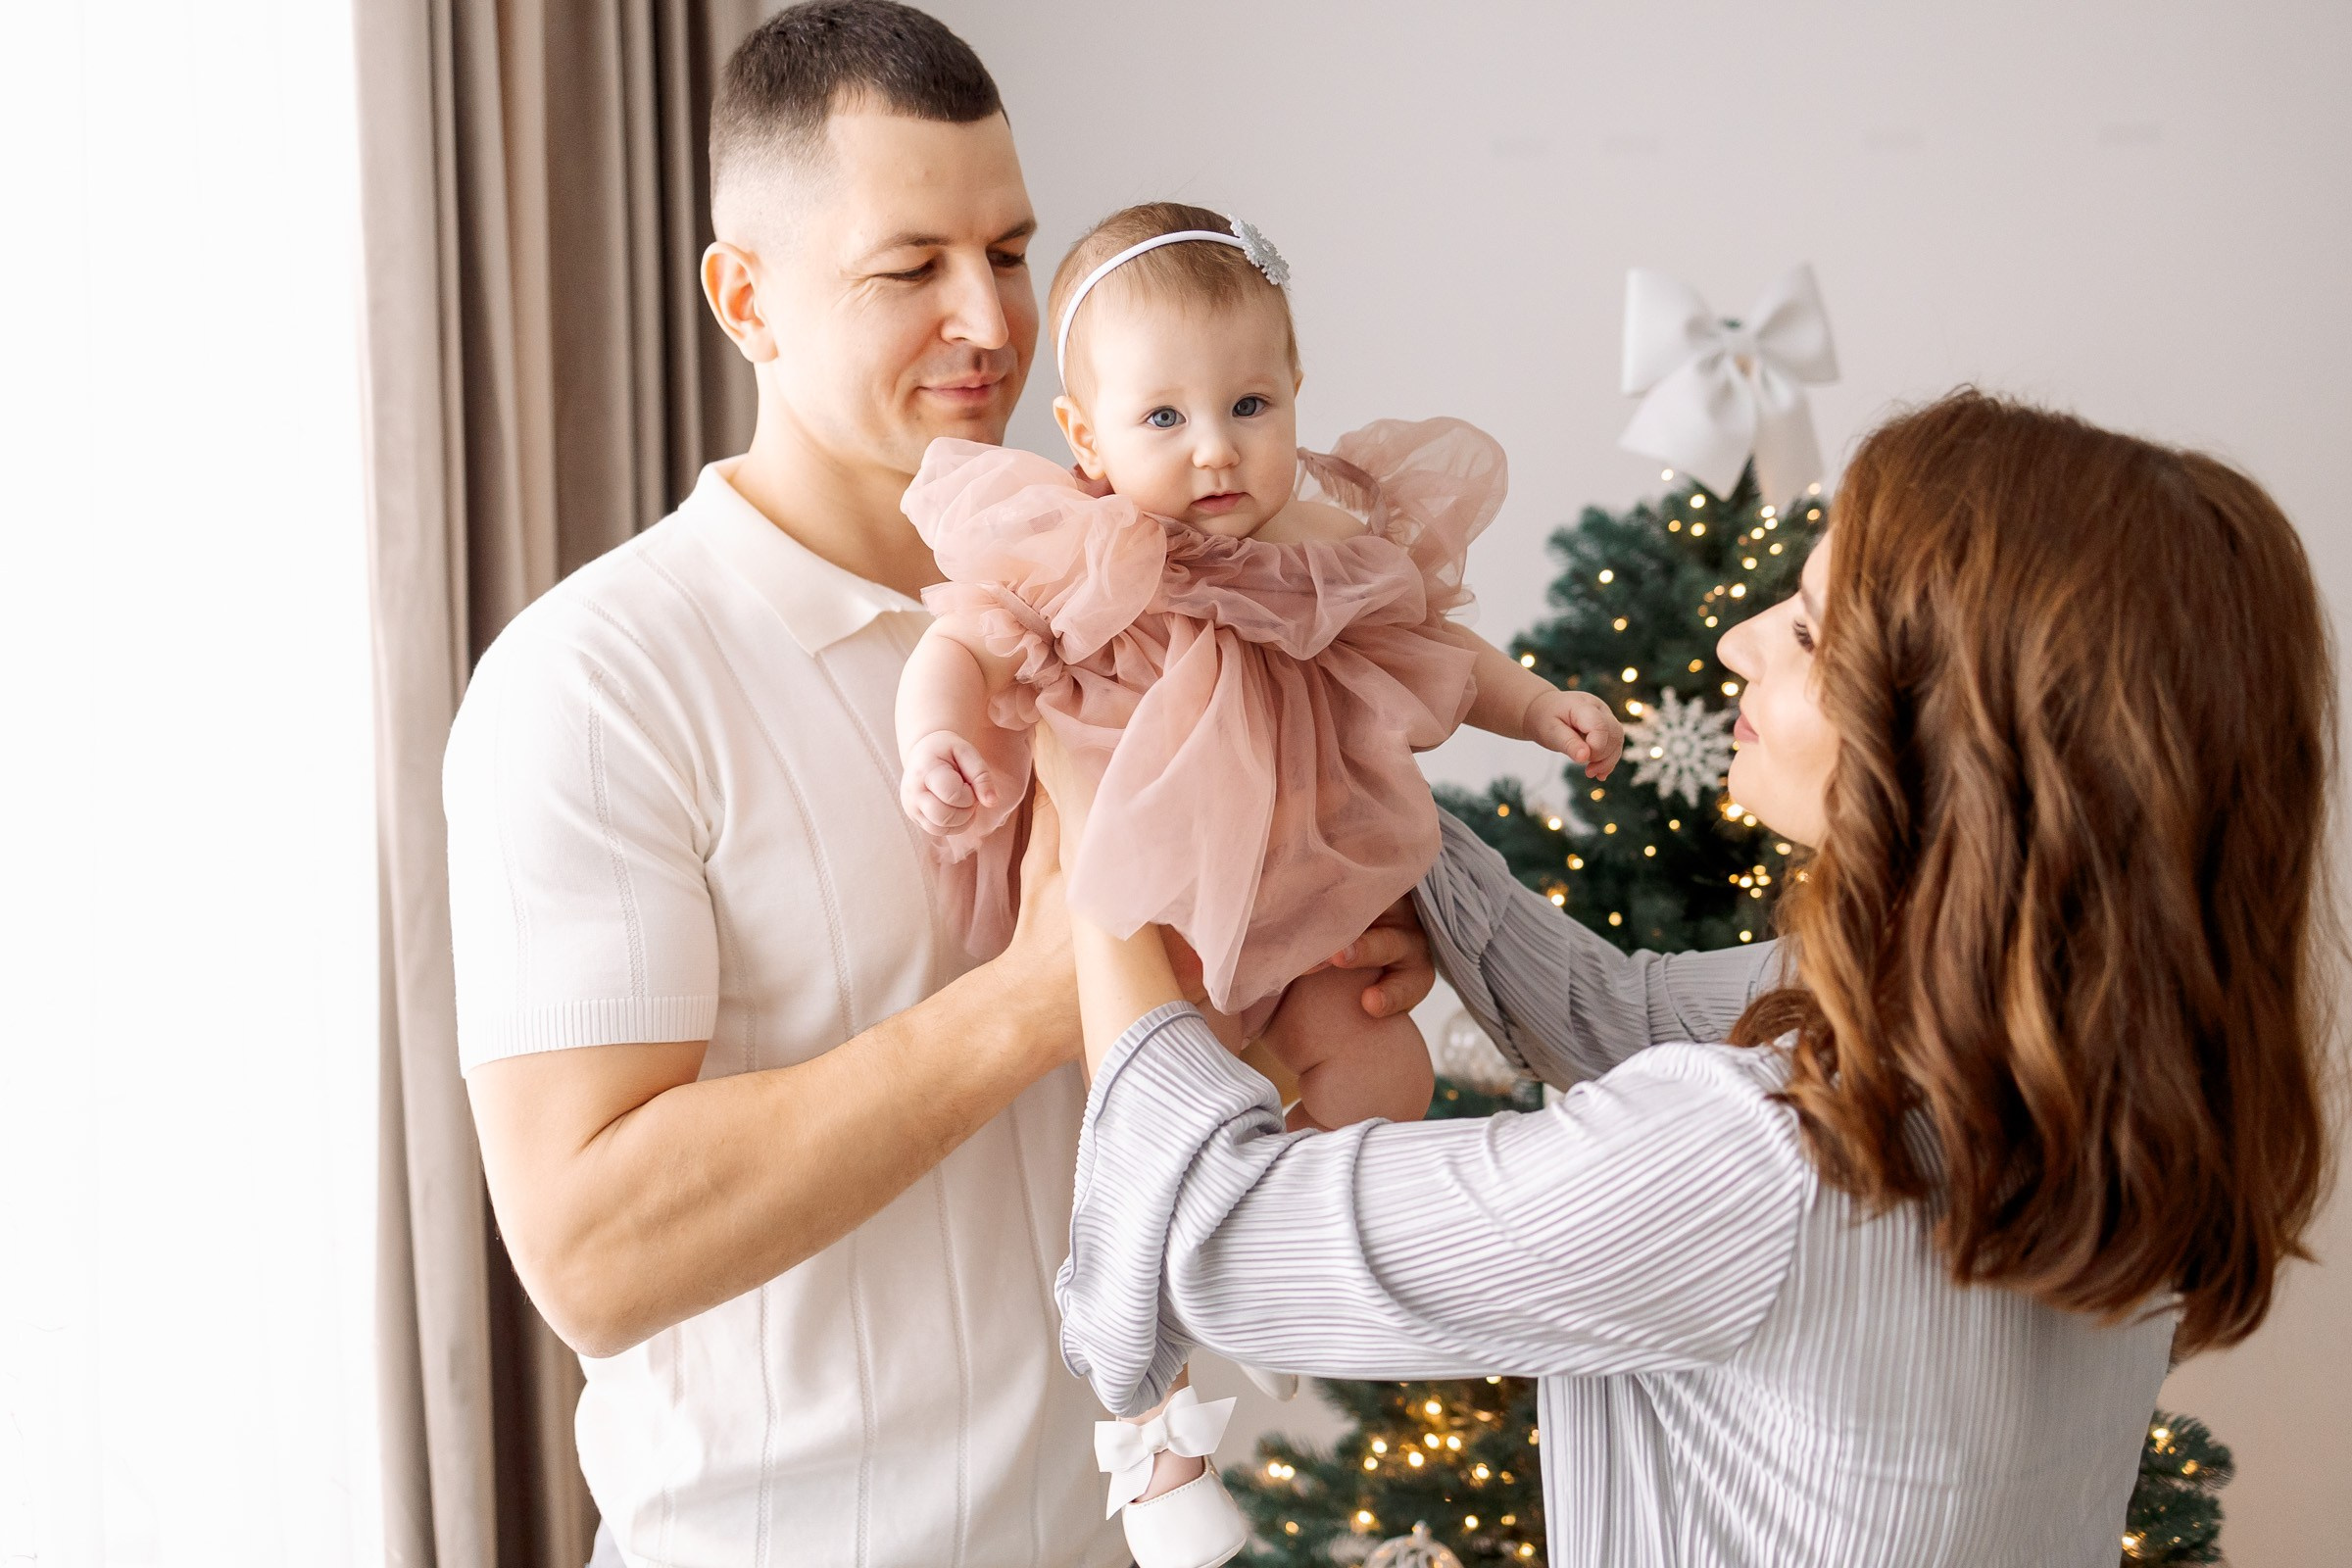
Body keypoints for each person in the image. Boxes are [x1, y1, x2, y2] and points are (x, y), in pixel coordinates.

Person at [441, 7, 1427, 1566]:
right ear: (745, 299)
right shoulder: (596, 678)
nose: (992, 319)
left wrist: (1330, 934)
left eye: (1013, 251)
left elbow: (1193, 1069)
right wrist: (1044, 993)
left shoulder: (1151, 604)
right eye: (910, 269)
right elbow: (592, 1250)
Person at [1045, 389, 2336, 1568]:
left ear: (1962, 747)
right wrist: (1384, 836)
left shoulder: (1765, 1163)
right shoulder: (2083, 1062)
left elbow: (1220, 1240)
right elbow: (1626, 1012)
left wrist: (1108, 842)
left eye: (1811, 628)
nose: (1735, 641)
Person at [891, 201, 1623, 1564]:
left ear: (1297, 397)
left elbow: (1443, 656)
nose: (1216, 447)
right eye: (1162, 419)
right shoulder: (1082, 549)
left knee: (1381, 1070)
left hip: (1320, 917)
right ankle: (1153, 1437)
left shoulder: (1333, 544)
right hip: (1162, 923)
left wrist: (1542, 711)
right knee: (1148, 1156)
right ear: (1084, 433)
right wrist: (932, 734)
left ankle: (1318, 1261)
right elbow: (967, 647)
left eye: (1249, 402)